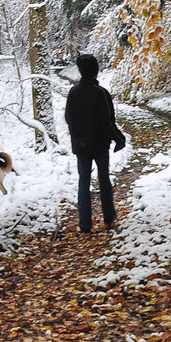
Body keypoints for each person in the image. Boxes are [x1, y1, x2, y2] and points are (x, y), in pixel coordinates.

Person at [64, 52, 127, 234]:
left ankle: (85, 224)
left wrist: (77, 137)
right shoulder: (101, 93)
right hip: (100, 145)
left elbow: (69, 118)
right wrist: (118, 139)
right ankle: (108, 218)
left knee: (83, 181)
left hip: (81, 145)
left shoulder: (73, 92)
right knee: (104, 179)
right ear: (96, 71)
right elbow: (107, 121)